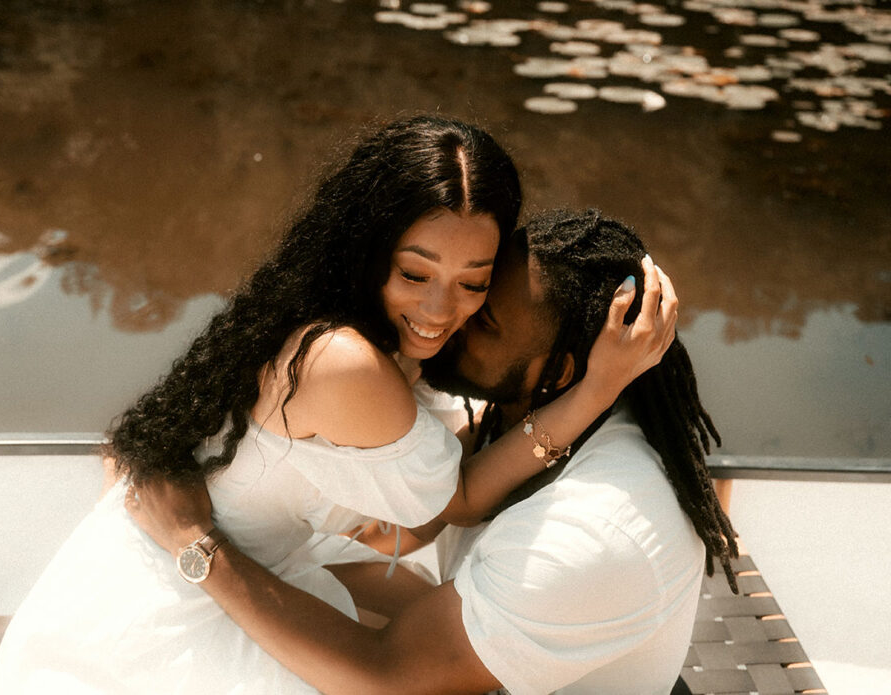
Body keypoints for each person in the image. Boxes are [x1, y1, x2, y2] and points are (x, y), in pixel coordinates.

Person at [0, 116, 667, 695]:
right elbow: (443, 507)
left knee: (421, 622)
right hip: (176, 610)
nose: (442, 311)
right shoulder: (351, 364)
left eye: (474, 281)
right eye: (415, 273)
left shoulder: (321, 311)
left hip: (163, 563)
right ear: (370, 250)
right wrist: (594, 388)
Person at [126, 208, 739, 695]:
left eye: (484, 320)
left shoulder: (592, 531)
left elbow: (383, 677)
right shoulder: (544, 404)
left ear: (561, 373)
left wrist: (197, 547)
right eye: (475, 288)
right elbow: (430, 511)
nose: (449, 317)